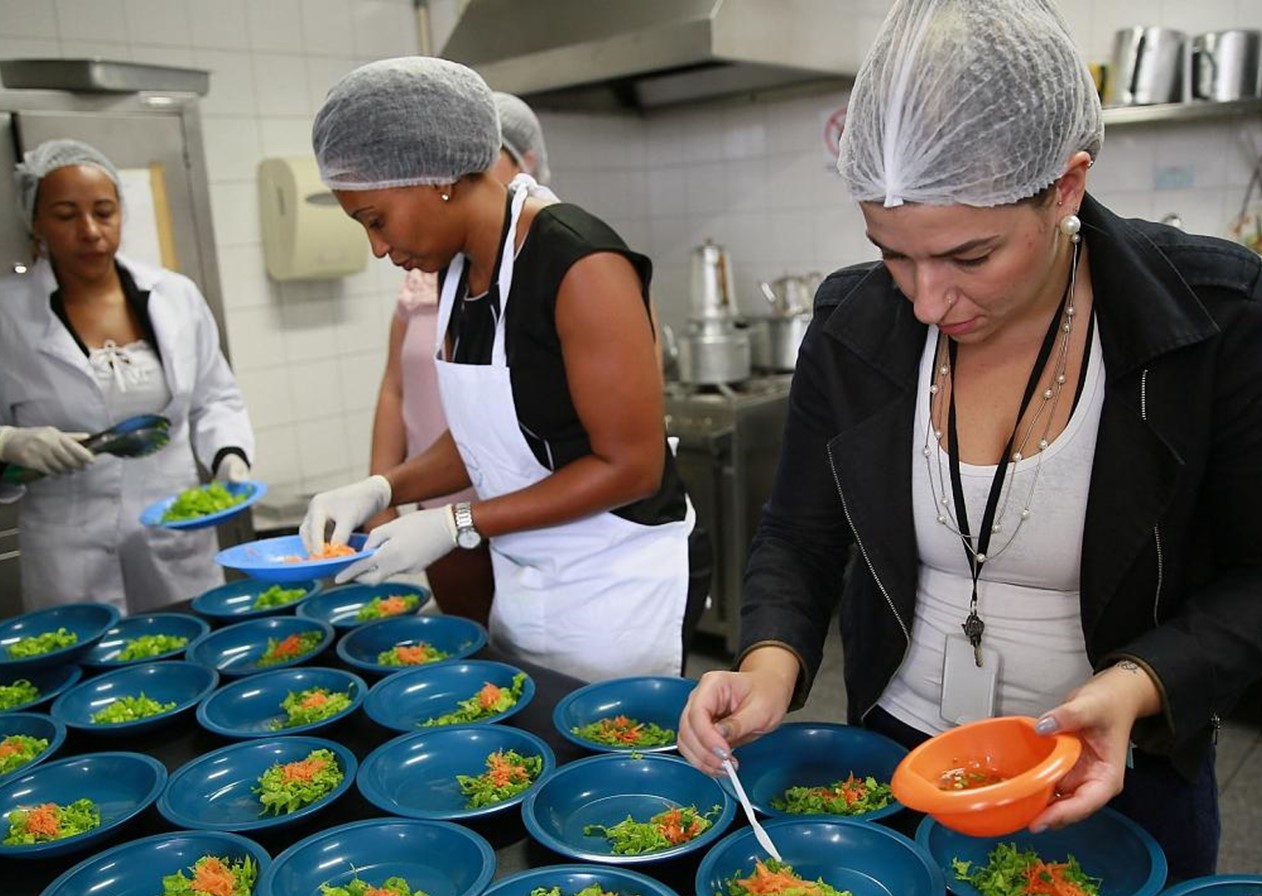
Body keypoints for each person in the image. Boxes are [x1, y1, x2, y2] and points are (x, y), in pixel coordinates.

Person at [676, 0, 1262, 881]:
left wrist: (1137, 685)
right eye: (892, 253)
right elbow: (799, 537)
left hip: (1109, 771)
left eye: (971, 257)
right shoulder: (851, 324)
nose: (925, 302)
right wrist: (767, 664)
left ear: (1065, 186)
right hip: (899, 765)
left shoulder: (1214, 319)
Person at [303, 57, 708, 681]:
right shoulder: (460, 270)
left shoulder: (578, 263)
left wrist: (459, 521)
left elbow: (632, 466)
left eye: (375, 220)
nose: (378, 248)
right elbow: (492, 437)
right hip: (525, 578)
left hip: (618, 585)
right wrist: (384, 488)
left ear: (434, 176)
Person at [0, 139, 255, 615]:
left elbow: (215, 397)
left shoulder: (174, 296)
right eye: (65, 214)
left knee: (188, 657)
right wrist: (8, 442)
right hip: (69, 559)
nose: (90, 230)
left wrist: (230, 457)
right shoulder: (7, 315)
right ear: (35, 222)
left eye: (103, 211)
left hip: (175, 540)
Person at [366, 91, 556, 626]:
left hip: (539, 510)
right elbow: (395, 386)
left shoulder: (563, 260)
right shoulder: (433, 274)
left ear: (526, 161)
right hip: (440, 494)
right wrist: (380, 486)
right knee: (472, 651)